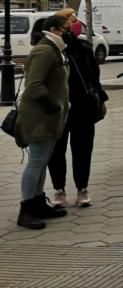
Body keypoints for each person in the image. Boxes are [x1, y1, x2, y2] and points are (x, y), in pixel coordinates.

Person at [14, 14, 72, 229]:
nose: (69, 31)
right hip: (39, 117)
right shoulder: (44, 50)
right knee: (37, 162)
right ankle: (26, 209)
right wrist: (54, 106)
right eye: (66, 28)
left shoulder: (55, 50)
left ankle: (38, 202)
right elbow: (35, 85)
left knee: (42, 161)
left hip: (49, 116)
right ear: (55, 29)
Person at [48, 8, 108, 208]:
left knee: (83, 148)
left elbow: (94, 77)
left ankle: (82, 188)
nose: (73, 25)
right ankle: (59, 189)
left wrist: (101, 99)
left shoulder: (83, 47)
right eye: (69, 22)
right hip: (57, 107)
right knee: (57, 150)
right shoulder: (50, 49)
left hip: (83, 105)